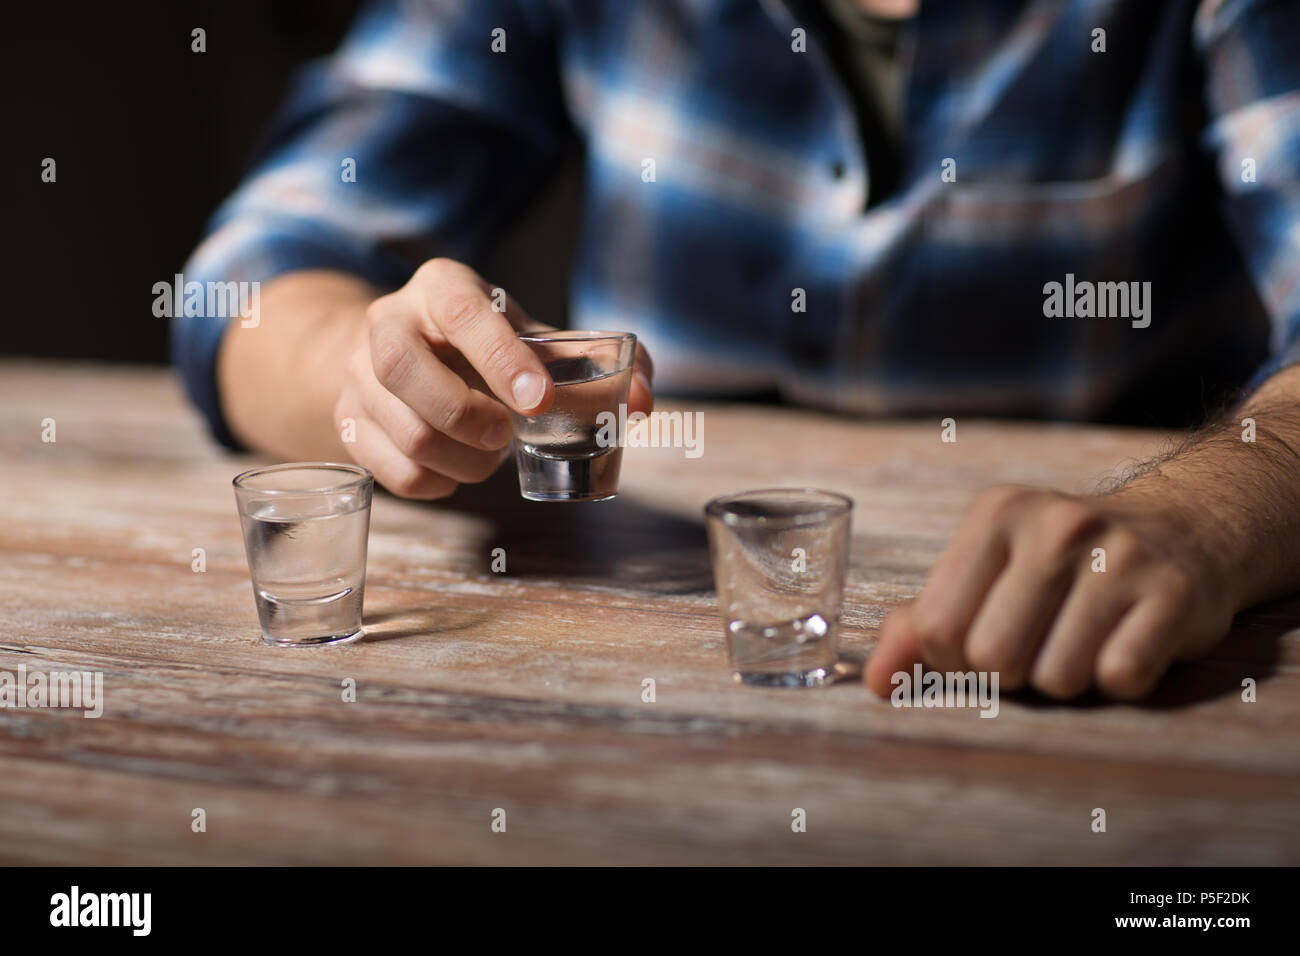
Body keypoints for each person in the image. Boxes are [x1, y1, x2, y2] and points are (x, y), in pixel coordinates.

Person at [173, 0, 1300, 703]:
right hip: (634, 657)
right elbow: (257, 267)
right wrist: (371, 380)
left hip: (1065, 649)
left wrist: (1200, 516)